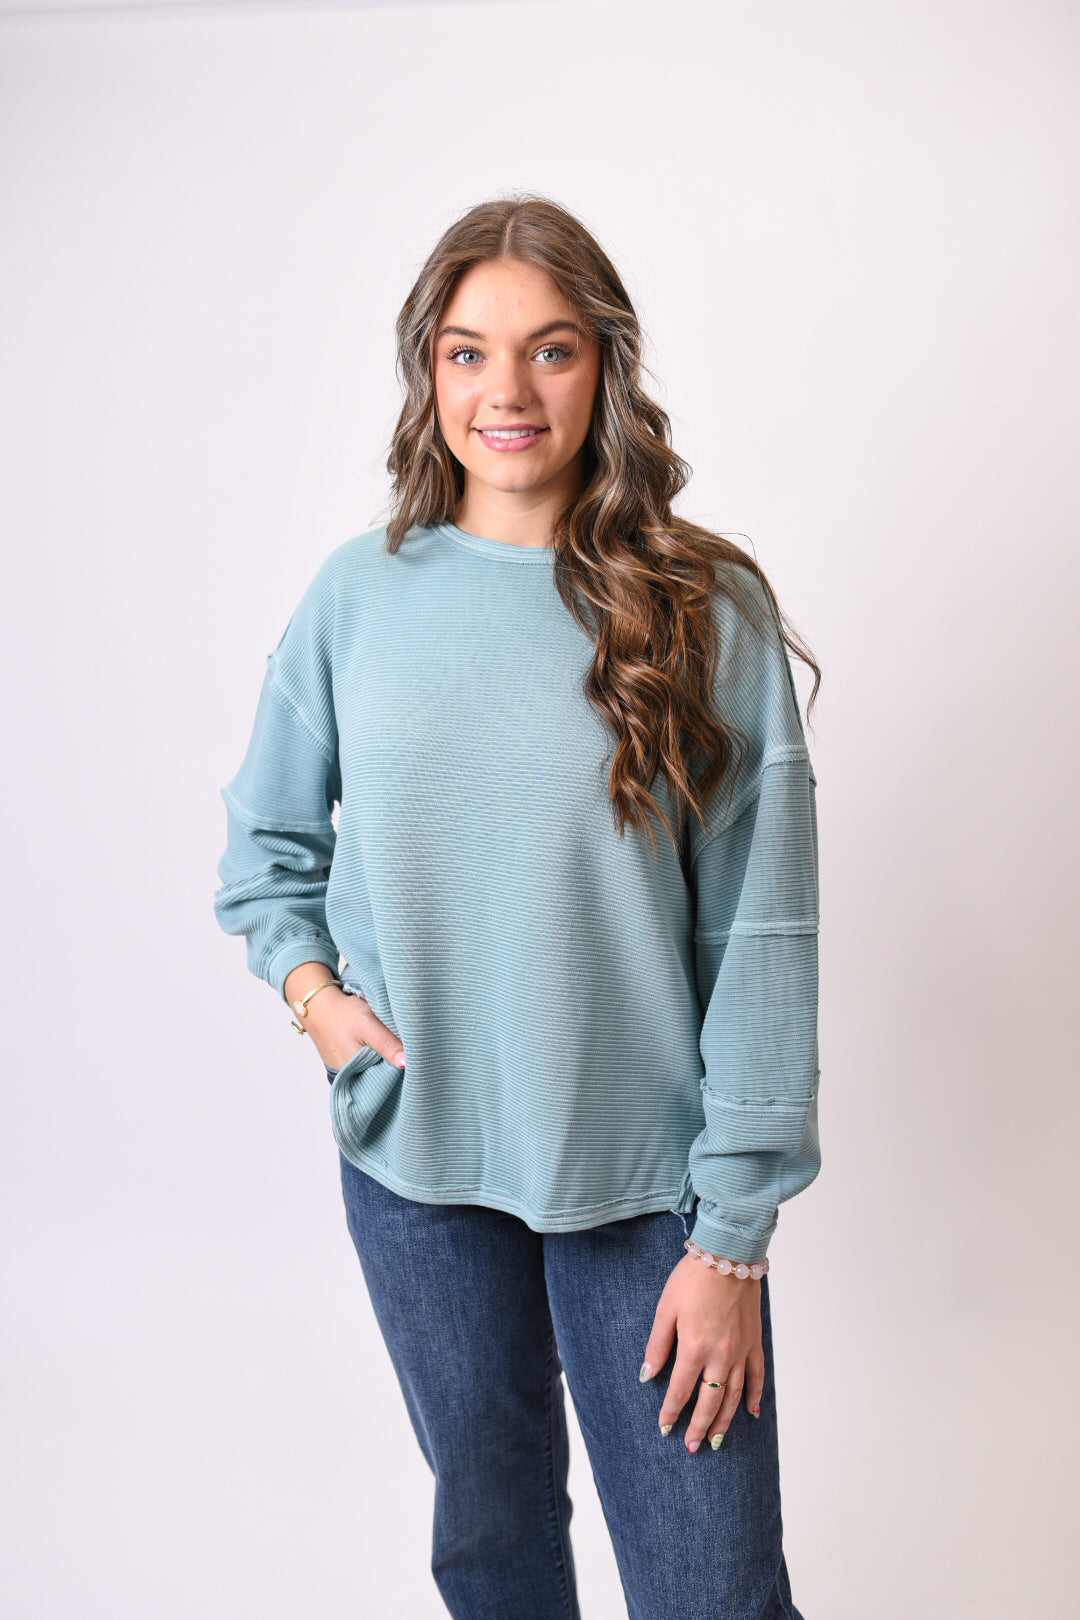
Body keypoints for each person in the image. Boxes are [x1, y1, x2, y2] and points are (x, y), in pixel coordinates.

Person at [214, 192, 822, 1620]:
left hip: (651, 1192)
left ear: (604, 366)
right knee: (492, 1566)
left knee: (716, 1591)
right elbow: (266, 846)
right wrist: (319, 1005)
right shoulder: (358, 597)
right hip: (418, 1171)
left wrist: (731, 1236)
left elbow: (765, 937)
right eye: (468, 352)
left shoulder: (705, 606)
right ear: (427, 374)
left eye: (550, 349)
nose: (508, 391)